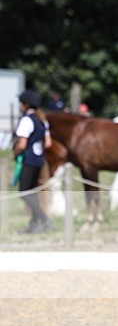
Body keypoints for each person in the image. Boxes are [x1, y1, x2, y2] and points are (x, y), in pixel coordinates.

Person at [13, 90, 53, 233]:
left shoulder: (26, 120)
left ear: (26, 104)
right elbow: (47, 143)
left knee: (24, 193)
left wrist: (16, 153)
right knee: (33, 194)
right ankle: (34, 225)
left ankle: (44, 219)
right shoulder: (42, 120)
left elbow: (22, 144)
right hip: (39, 160)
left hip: (28, 160)